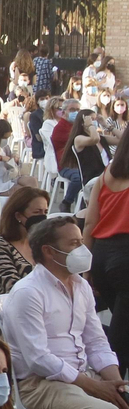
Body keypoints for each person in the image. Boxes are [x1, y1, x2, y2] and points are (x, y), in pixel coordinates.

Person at [6, 215, 129, 409]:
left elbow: (97, 341)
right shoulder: (28, 292)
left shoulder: (81, 286)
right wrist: (93, 386)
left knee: (121, 404)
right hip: (40, 384)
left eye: (81, 241)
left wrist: (116, 385)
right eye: (74, 244)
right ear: (49, 251)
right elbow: (39, 359)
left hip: (81, 376)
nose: (83, 249)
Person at [85, 135, 129, 364]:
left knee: (122, 328)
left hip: (101, 255)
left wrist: (86, 266)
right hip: (124, 258)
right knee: (120, 340)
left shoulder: (108, 173)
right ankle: (113, 380)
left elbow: (90, 223)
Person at [0, 184, 49, 297]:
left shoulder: (41, 243)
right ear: (18, 216)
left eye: (45, 212)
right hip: (22, 303)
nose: (42, 218)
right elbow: (10, 289)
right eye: (37, 212)